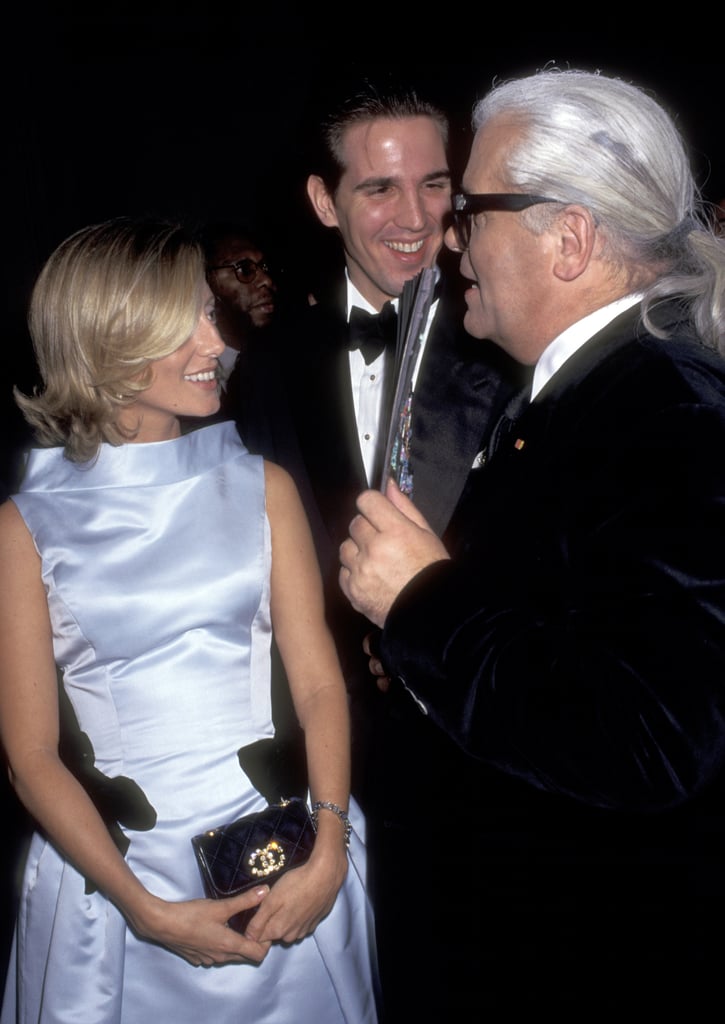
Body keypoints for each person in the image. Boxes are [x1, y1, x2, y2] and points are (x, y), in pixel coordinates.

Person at [339, 68, 725, 1014]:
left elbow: (654, 742)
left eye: (468, 210)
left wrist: (422, 602)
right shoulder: (579, 393)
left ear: (571, 239)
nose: (446, 239)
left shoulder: (668, 411)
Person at [0, 216, 378, 1023]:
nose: (219, 341)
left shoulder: (259, 483)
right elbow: (30, 755)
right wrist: (143, 909)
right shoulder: (25, 525)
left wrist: (331, 842)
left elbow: (317, 686)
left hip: (289, 862)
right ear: (111, 339)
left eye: (213, 315)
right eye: (193, 322)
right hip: (116, 882)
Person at [238, 82, 524, 816]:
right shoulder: (261, 365)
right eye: (377, 188)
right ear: (323, 201)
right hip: (312, 755)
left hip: (489, 764)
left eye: (434, 185)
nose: (416, 217)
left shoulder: (517, 348)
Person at [199, 220, 279, 417]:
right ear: (207, 279)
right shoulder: (187, 369)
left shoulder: (285, 364)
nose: (267, 281)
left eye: (264, 267)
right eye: (244, 269)